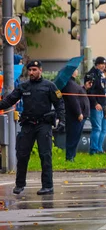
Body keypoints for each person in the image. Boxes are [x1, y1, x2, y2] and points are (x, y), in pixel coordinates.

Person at [0, 60, 65, 195]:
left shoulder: (50, 86)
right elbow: (10, 100)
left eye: (34, 70)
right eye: (30, 70)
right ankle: (19, 184)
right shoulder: (24, 86)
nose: (31, 72)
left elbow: (59, 104)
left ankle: (48, 186)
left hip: (43, 125)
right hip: (28, 125)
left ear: (40, 70)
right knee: (22, 155)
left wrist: (62, 121)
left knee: (45, 155)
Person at [62, 69, 91, 162]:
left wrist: (84, 87)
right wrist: (78, 113)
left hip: (78, 115)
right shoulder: (70, 84)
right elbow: (73, 100)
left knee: (75, 136)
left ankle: (71, 156)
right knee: (73, 136)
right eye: (75, 69)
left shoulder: (73, 83)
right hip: (75, 116)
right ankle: (70, 157)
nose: (77, 70)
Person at [87, 56, 106, 155]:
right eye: (101, 64)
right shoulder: (91, 75)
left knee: (105, 129)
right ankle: (93, 149)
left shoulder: (101, 75)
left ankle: (99, 148)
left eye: (104, 64)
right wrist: (95, 103)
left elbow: (104, 91)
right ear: (96, 64)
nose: (103, 66)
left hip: (103, 104)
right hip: (95, 105)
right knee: (97, 128)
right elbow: (90, 91)